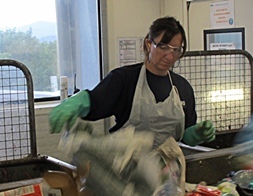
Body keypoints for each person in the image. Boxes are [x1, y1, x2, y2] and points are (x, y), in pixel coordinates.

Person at [49, 16, 215, 148]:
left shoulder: (183, 88)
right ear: (149, 44)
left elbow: (185, 135)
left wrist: (196, 135)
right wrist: (81, 101)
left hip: (167, 174)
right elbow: (96, 104)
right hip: (125, 172)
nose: (170, 56)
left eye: (176, 50)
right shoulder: (124, 80)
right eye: (163, 47)